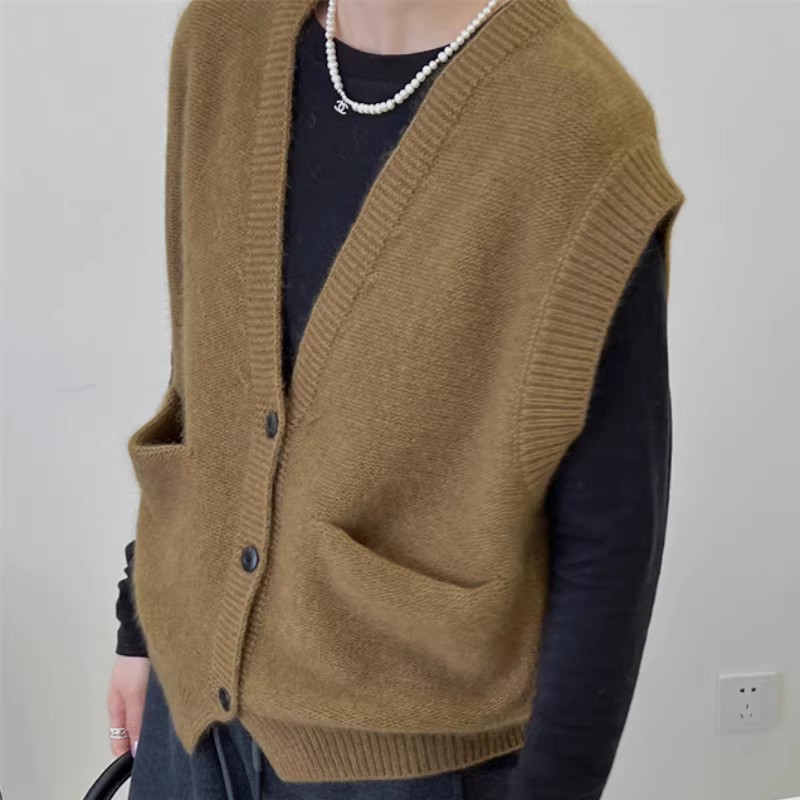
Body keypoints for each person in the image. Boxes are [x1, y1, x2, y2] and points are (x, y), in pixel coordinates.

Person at [107, 0, 685, 797]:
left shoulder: (575, 127)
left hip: (410, 755)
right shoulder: (223, 38)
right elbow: (207, 390)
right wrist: (139, 625)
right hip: (190, 722)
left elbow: (611, 534)